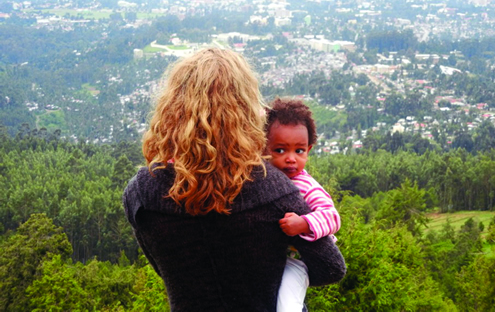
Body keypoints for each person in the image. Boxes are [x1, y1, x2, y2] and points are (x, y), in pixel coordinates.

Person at [123, 48, 346, 312]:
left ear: (173, 109)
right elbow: (331, 268)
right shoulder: (274, 189)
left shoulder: (141, 193)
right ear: (246, 111)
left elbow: (165, 269)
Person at [265, 97, 341, 312]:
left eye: (299, 151)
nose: (291, 159)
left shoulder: (306, 186)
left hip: (297, 261)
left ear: (308, 149)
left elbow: (332, 217)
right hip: (273, 258)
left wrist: (304, 223)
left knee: (287, 307)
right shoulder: (264, 179)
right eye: (280, 150)